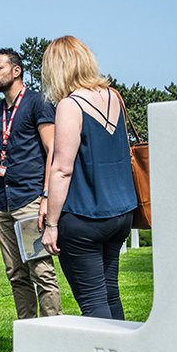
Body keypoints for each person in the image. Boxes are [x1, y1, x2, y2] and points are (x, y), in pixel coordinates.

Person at [39, 36, 137, 320]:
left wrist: (52, 224)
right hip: (121, 213)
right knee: (110, 293)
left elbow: (62, 169)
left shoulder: (70, 105)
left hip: (85, 216)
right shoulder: (114, 97)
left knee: (94, 302)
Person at [0, 47, 61, 352]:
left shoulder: (37, 103)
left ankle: (55, 342)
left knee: (41, 271)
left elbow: (52, 149)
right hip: (3, 202)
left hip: (30, 201)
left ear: (16, 71)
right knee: (16, 274)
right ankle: (26, 346)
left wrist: (46, 197)